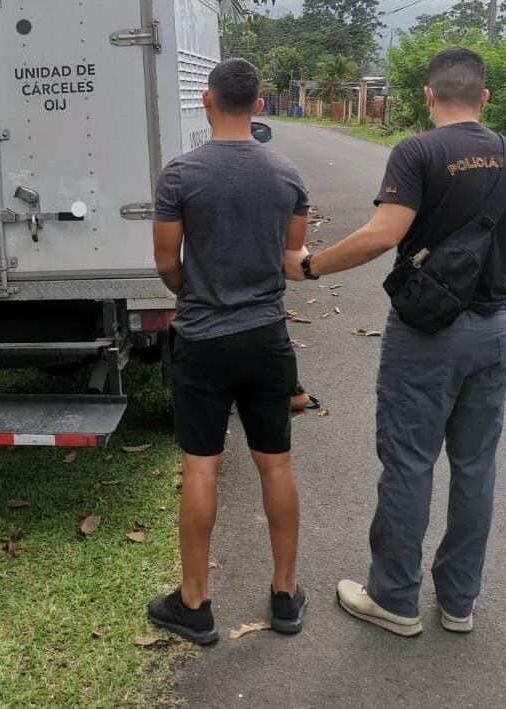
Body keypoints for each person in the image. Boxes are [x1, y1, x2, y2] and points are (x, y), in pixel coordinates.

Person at [287, 48, 506, 636]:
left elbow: (384, 235)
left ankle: (395, 599)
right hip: (492, 331)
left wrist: (311, 268)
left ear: (429, 95)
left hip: (427, 334)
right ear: (484, 97)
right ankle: (459, 603)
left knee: (408, 462)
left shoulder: (417, 151)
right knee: (476, 467)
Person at [146, 58, 311, 645]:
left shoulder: (181, 174)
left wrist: (193, 293)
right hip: (267, 338)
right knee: (277, 464)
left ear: (208, 102)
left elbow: (166, 259)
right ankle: (287, 595)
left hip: (202, 338)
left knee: (200, 466)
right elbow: (293, 260)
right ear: (260, 106)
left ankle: (194, 604)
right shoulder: (287, 175)